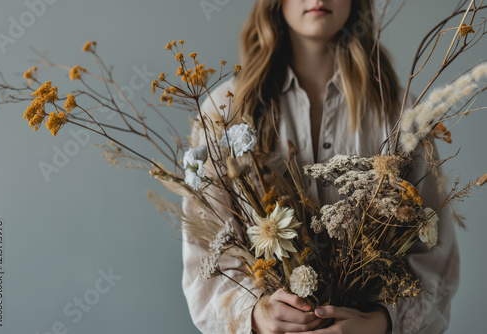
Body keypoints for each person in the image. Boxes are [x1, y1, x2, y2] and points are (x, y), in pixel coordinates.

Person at [182, 0, 460, 333]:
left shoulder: (399, 112)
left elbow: (434, 252)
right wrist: (255, 315)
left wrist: (382, 321)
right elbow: (205, 255)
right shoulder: (222, 114)